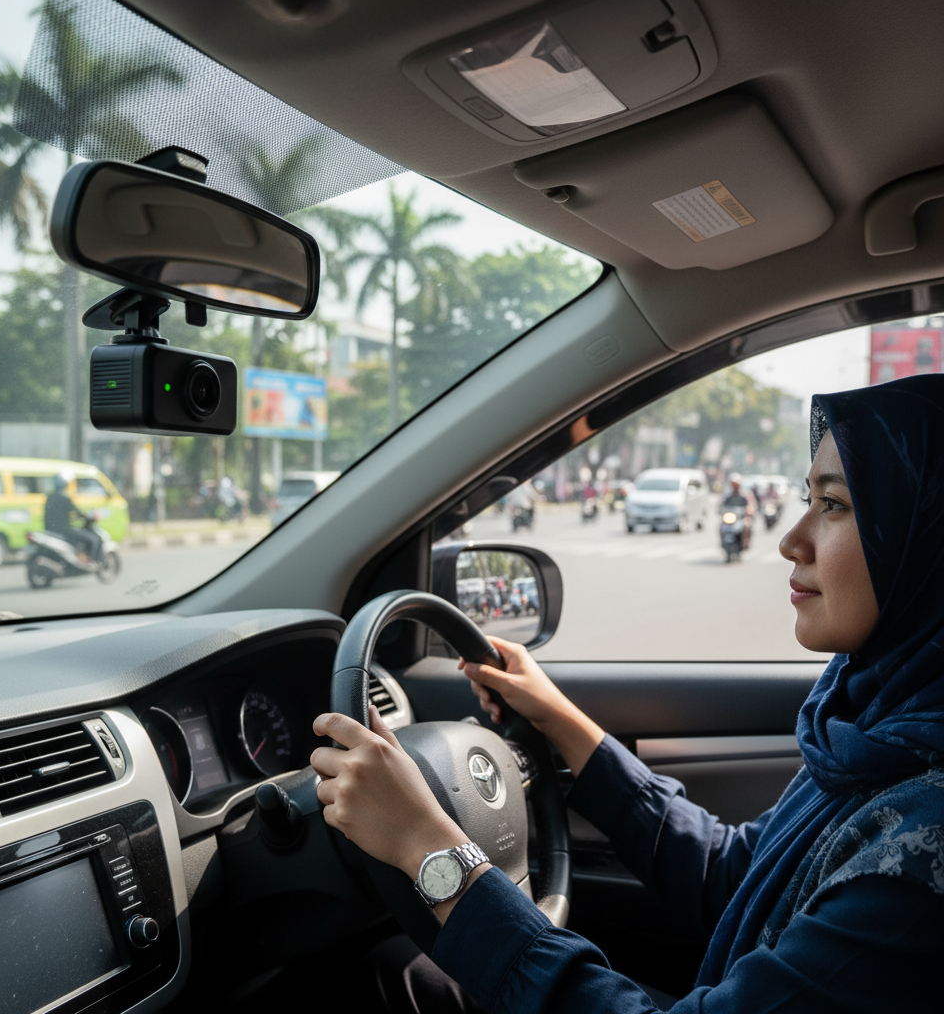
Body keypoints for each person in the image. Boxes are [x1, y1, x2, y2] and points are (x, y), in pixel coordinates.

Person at [310, 373, 944, 1012]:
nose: (790, 540)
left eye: (832, 505)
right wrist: (561, 719)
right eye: (807, 498)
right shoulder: (876, 724)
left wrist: (432, 850)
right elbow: (732, 877)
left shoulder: (922, 854)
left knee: (394, 981)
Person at [43, 475, 100, 563]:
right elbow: (78, 512)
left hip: (50, 530)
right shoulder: (64, 499)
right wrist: (88, 516)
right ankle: (91, 561)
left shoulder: (49, 498)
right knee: (94, 540)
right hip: (64, 530)